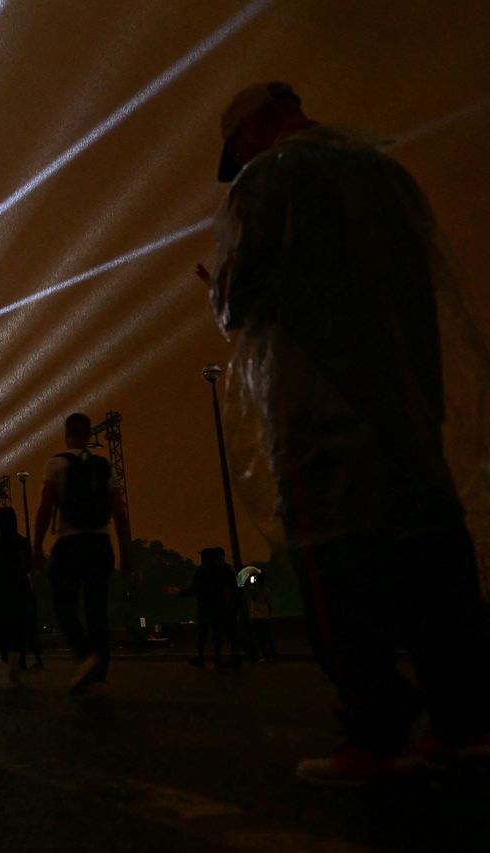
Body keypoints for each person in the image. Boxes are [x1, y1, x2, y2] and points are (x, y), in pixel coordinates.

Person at [207, 82, 490, 784]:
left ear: (253, 128)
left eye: (235, 147)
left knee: (336, 559)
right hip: (405, 400)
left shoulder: (271, 178)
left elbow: (245, 296)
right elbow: (429, 290)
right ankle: (463, 722)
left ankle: (374, 729)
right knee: (432, 551)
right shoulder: (386, 172)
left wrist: (219, 289)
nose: (238, 160)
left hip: (322, 402)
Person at [32, 412, 132, 694]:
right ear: (89, 436)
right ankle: (99, 673)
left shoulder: (56, 464)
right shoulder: (104, 467)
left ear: (67, 435)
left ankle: (86, 654)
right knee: (97, 607)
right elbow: (120, 513)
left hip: (70, 541)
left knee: (63, 604)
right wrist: (126, 553)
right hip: (101, 543)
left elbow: (45, 508)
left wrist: (37, 546)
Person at [0, 506, 33, 684]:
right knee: (18, 626)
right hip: (19, 588)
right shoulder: (23, 543)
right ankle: (17, 655)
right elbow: (29, 566)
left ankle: (7, 655)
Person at [166, 548, 239, 669]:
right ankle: (218, 659)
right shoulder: (223, 569)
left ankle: (203, 658)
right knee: (218, 634)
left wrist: (180, 593)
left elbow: (194, 588)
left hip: (205, 607)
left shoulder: (202, 571)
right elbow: (232, 586)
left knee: (204, 634)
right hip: (219, 606)